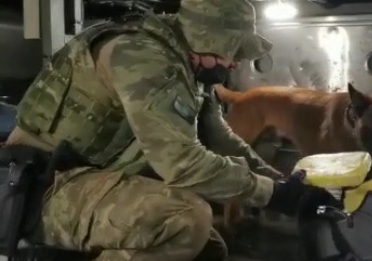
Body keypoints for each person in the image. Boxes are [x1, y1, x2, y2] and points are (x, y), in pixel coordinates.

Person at [3, 0, 337, 260]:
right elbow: (183, 165)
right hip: (44, 186)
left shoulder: (184, 61)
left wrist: (282, 183)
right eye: (232, 51)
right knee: (185, 220)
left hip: (87, 178)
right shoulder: (143, 58)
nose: (235, 63)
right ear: (210, 40)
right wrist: (275, 196)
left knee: (208, 249)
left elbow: (221, 140)